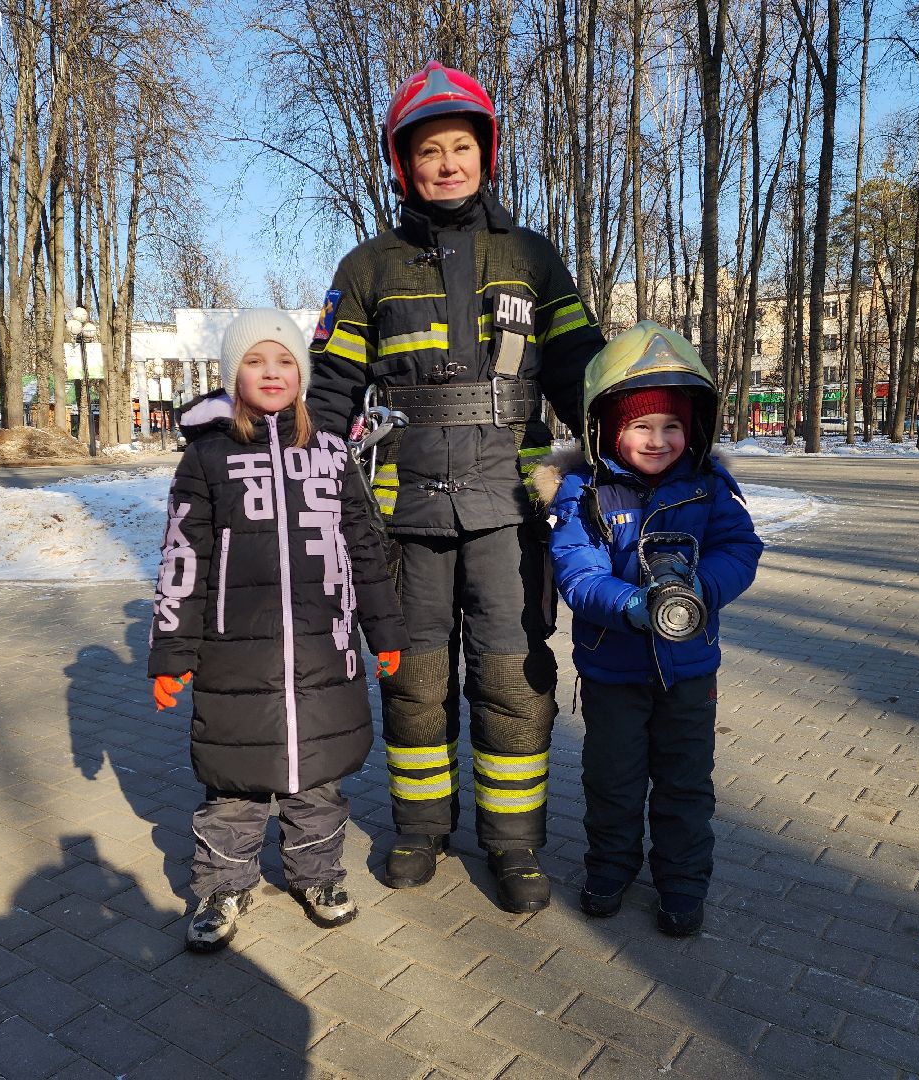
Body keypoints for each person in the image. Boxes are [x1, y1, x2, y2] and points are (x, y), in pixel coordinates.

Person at [306, 61, 607, 913]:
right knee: (414, 677)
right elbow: (330, 388)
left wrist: (632, 440)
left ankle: (513, 847)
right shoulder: (367, 268)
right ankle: (419, 828)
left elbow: (584, 370)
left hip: (513, 511)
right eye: (429, 151)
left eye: (460, 148)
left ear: (487, 155)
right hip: (406, 513)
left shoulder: (534, 258)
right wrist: (310, 477)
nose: (446, 164)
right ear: (405, 165)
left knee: (513, 679)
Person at [149, 309, 408, 952]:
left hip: (326, 647)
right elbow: (184, 554)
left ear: (303, 371)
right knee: (234, 782)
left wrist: (386, 630)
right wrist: (172, 651)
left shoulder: (330, 450)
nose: (272, 372)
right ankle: (221, 884)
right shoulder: (208, 455)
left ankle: (316, 874)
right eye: (256, 361)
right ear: (232, 373)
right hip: (237, 652)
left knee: (317, 777)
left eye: (285, 360)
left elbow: (364, 547)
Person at [535, 322, 763, 936]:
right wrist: (632, 603)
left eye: (672, 425)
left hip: (689, 670)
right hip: (614, 671)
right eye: (640, 425)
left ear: (694, 427)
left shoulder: (709, 485)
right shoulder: (585, 493)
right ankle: (610, 868)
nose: (657, 439)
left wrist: (699, 591)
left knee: (686, 783)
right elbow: (577, 575)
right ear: (607, 427)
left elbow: (740, 551)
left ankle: (682, 885)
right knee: (612, 779)